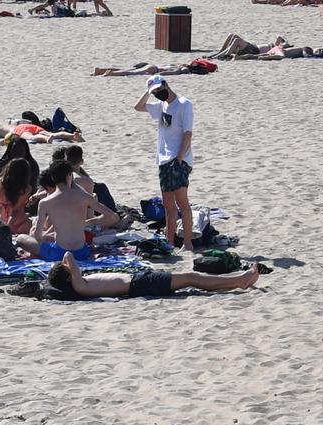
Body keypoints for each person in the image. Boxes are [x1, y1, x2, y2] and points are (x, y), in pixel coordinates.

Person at [134, 75, 195, 252]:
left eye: (160, 90)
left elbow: (187, 133)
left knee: (182, 201)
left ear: (166, 85)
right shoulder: (161, 106)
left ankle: (188, 242)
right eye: (155, 93)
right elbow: (138, 107)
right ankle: (170, 242)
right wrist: (148, 91)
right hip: (163, 160)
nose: (158, 94)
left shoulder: (184, 104)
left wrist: (179, 158)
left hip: (178, 159)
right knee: (168, 205)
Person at [44, 252, 261, 298]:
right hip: (141, 284)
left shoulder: (80, 283)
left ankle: (236, 281)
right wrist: (66, 266)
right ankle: (239, 281)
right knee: (191, 277)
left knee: (189, 279)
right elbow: (68, 255)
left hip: (140, 281)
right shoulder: (80, 285)